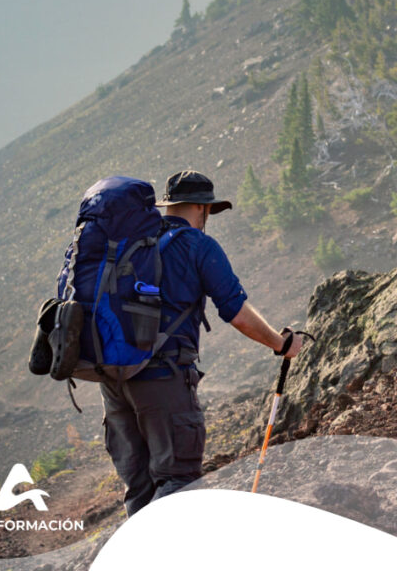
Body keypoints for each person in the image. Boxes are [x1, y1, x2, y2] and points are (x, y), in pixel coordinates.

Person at [101, 170, 303, 516]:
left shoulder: (129, 243)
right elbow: (236, 313)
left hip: (113, 377)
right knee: (178, 482)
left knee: (140, 489)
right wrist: (280, 343)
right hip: (162, 378)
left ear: (168, 205)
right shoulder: (198, 245)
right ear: (201, 207)